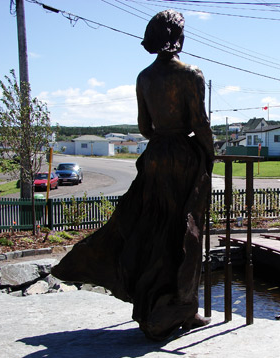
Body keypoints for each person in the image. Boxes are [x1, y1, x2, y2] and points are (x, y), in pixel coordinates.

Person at [52, 10, 214, 341]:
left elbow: (144, 127)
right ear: (179, 37)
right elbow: (200, 124)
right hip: (183, 159)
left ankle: (170, 306)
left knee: (155, 230)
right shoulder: (191, 74)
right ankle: (180, 307)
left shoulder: (144, 77)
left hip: (154, 157)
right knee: (186, 233)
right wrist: (209, 155)